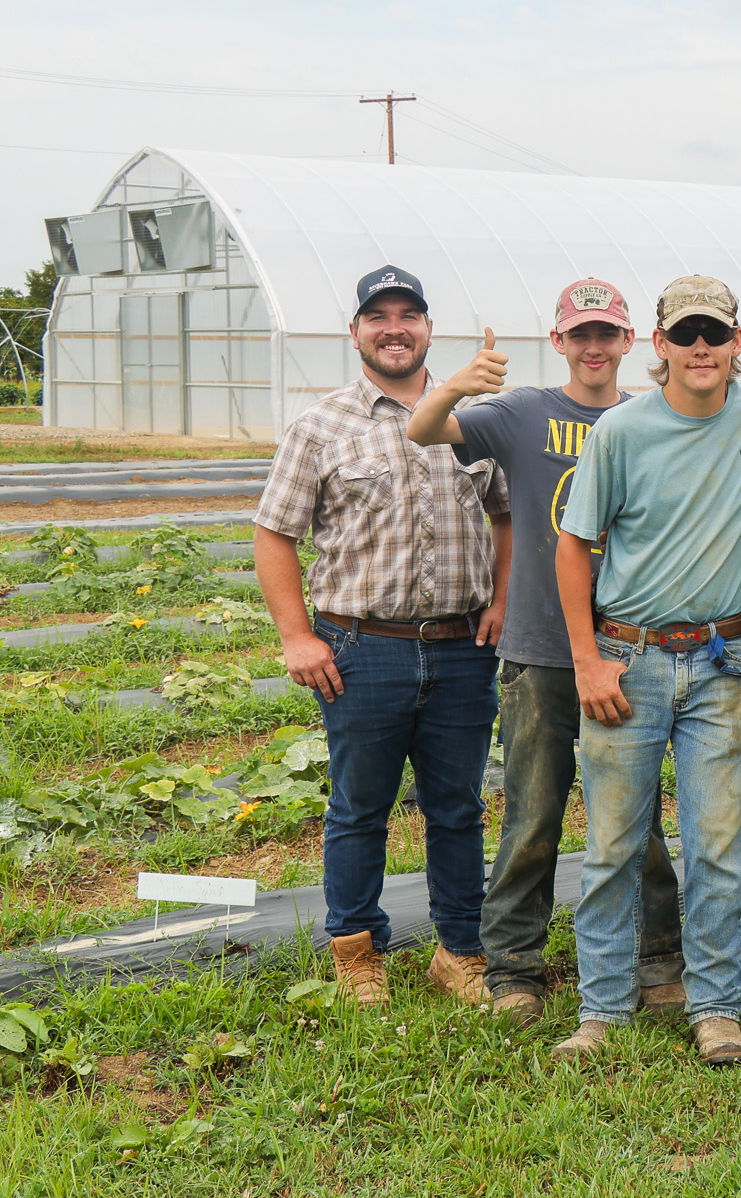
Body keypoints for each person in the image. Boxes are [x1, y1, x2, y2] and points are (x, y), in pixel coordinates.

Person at [404, 278, 691, 1024]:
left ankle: (658, 959)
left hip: (629, 646)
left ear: (630, 342)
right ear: (559, 341)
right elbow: (423, 430)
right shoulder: (526, 411)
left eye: (607, 334)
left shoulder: (653, 417)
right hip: (539, 650)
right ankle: (515, 969)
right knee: (532, 813)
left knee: (637, 819)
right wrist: (458, 386)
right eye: (579, 334)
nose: (594, 347)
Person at [550, 276, 741, 1064]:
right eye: (684, 334)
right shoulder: (622, 431)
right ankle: (603, 1010)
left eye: (714, 335)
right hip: (628, 659)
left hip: (723, 662)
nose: (700, 348)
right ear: (658, 344)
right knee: (614, 844)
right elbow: (572, 545)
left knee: (719, 845)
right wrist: (587, 658)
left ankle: (716, 1005)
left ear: (736, 345)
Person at [253, 265, 510, 1007]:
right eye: (378, 316)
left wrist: (502, 599)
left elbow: (507, 514)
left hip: (463, 647)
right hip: (363, 647)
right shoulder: (322, 425)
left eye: (408, 314)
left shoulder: (473, 419)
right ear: (357, 331)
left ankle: (460, 949)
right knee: (360, 804)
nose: (393, 327)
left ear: (429, 328)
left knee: (457, 805)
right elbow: (275, 533)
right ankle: (357, 949)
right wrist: (297, 636)